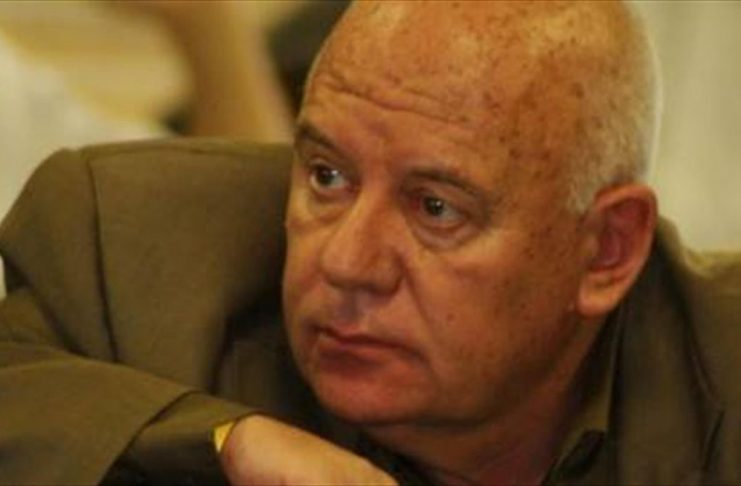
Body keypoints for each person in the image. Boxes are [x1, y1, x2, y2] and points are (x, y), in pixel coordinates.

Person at [0, 1, 740, 484]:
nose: (346, 262)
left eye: (436, 209)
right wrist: (221, 444)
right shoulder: (128, 251)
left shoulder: (719, 366)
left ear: (606, 250)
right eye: (327, 176)